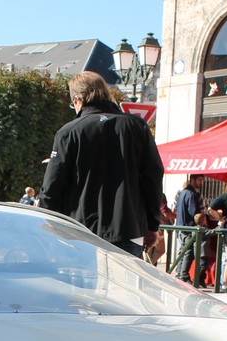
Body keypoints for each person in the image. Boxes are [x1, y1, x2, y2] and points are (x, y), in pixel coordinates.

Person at [39, 70, 163, 258]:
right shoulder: (137, 127)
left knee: (83, 287)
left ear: (78, 99)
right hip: (128, 227)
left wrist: (48, 219)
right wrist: (152, 225)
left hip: (80, 229)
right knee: (124, 286)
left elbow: (53, 184)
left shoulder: (69, 132)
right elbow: (153, 176)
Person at [173, 174, 204, 284]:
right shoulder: (191, 194)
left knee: (183, 251)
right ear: (192, 180)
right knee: (187, 252)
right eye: (199, 180)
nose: (201, 182)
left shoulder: (183, 193)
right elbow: (194, 213)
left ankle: (179, 274)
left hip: (181, 226)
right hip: (188, 227)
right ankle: (184, 276)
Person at [208, 179, 227, 288]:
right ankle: (226, 285)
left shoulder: (225, 197)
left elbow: (211, 209)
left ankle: (223, 285)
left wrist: (220, 218)